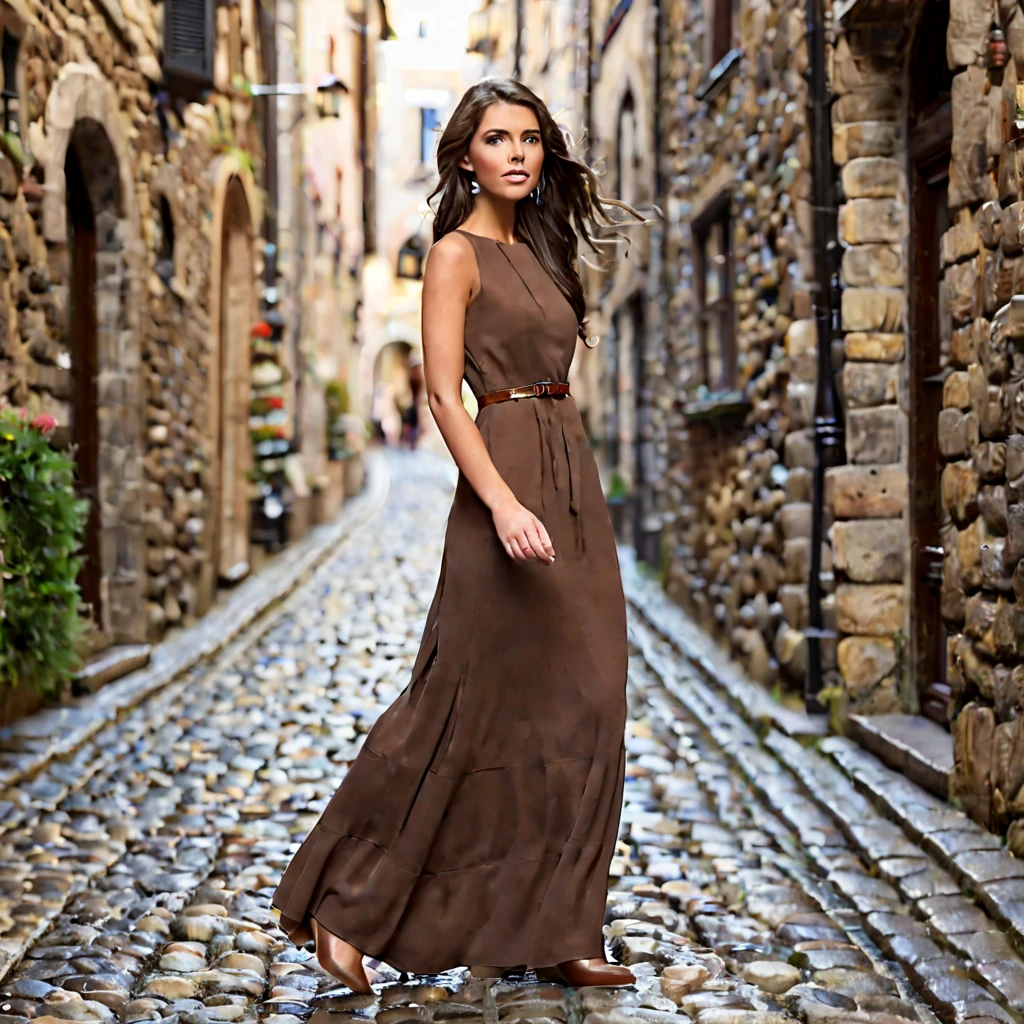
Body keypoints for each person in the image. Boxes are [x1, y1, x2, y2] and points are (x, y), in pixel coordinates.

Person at [271, 77, 649, 990]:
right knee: (460, 706)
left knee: (589, 703)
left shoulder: (549, 253)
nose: (516, 153)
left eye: (528, 138)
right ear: (467, 157)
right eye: (496, 139)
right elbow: (445, 395)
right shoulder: (454, 255)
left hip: (573, 479)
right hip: (506, 477)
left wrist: (555, 495)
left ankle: (559, 923)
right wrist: (504, 503)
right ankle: (343, 911)